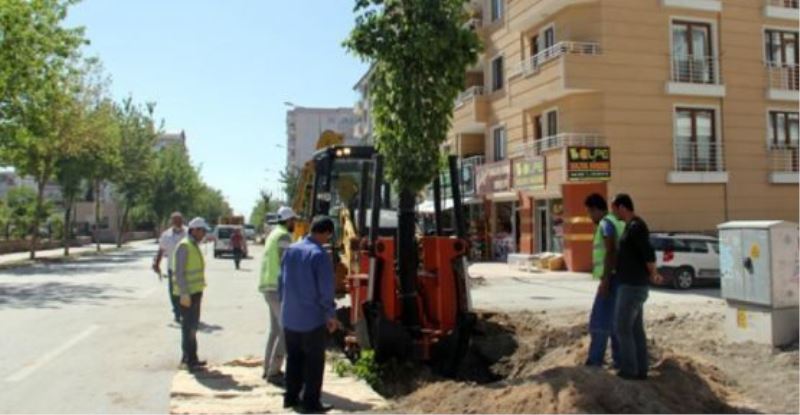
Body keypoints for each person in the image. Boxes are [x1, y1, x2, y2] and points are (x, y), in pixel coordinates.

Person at [280, 216, 338, 414]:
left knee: (294, 358)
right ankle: (311, 402)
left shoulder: (291, 250)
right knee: (314, 362)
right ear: (326, 232)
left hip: (290, 316)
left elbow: (282, 282)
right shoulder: (319, 255)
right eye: (329, 236)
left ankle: (291, 397)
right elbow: (325, 290)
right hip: (311, 319)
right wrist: (330, 315)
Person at [611, 194, 662, 380]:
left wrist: (653, 272)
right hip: (632, 284)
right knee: (635, 329)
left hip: (632, 286)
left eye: (614, 208)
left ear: (622, 207)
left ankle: (629, 370)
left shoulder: (636, 227)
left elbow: (648, 252)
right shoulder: (630, 226)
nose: (612, 212)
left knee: (622, 327)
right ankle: (641, 370)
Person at [584, 194, 626, 368]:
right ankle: (620, 360)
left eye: (589, 212)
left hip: (611, 278)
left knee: (599, 321)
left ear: (595, 209)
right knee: (615, 322)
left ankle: (595, 361)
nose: (589, 216)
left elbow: (611, 250)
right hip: (621, 278)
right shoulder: (619, 222)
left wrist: (606, 280)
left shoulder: (605, 224)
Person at [258, 206, 297, 387]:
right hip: (277, 287)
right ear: (288, 220)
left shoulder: (273, 234)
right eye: (293, 221)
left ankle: (267, 368)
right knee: (285, 330)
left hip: (268, 286)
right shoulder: (283, 236)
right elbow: (286, 262)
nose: (295, 224)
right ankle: (274, 372)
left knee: (275, 330)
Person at [172, 217, 210, 372]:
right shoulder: (184, 246)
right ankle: (188, 359)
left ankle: (192, 358)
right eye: (202, 231)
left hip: (195, 292)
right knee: (188, 327)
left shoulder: (193, 245)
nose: (204, 234)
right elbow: (179, 272)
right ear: (194, 230)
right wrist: (184, 293)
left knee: (193, 327)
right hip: (187, 294)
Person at [153, 212, 187, 323]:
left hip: (187, 268)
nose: (177, 222)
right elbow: (161, 250)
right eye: (175, 220)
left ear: (183, 221)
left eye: (179, 220)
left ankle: (185, 312)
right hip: (173, 268)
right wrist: (156, 264)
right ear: (171, 222)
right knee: (174, 292)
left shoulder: (188, 233)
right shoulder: (166, 235)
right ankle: (177, 312)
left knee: (186, 291)